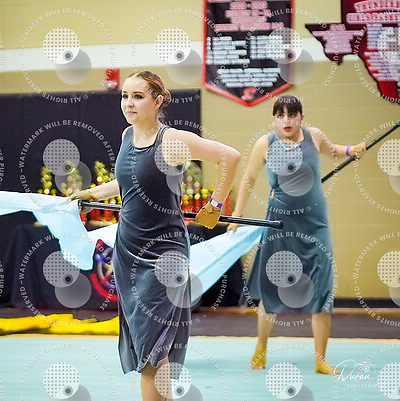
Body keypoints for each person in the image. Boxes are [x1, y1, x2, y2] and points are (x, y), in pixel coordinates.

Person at [71, 71, 241, 400]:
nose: (129, 103)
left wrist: (215, 204)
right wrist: (93, 193)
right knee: (152, 351)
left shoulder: (173, 140)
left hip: (165, 256)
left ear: (158, 101)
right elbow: (128, 181)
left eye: (138, 96)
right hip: (128, 252)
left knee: (151, 352)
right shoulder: (127, 136)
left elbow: (230, 157)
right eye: (124, 96)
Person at [227, 95, 366, 375]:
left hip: (316, 225)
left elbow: (334, 150)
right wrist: (236, 216)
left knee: (323, 290)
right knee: (271, 290)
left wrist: (352, 149)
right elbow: (248, 179)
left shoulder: (314, 137)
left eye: (292, 115)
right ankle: (261, 348)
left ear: (302, 117)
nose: (287, 120)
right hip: (280, 226)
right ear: (274, 119)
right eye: (281, 115)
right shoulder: (265, 143)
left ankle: (321, 359)